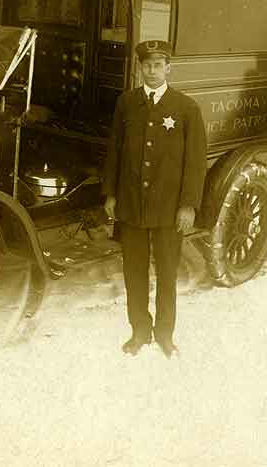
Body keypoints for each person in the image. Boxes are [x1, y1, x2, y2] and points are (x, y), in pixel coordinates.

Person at [103, 39, 207, 358]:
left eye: (158, 65)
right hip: (132, 205)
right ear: (140, 68)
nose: (152, 71)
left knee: (166, 273)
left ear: (168, 69)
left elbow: (195, 161)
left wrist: (188, 205)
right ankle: (139, 331)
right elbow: (114, 152)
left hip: (168, 207)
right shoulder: (127, 103)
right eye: (146, 65)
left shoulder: (186, 108)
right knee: (134, 272)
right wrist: (110, 194)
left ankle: (164, 334)